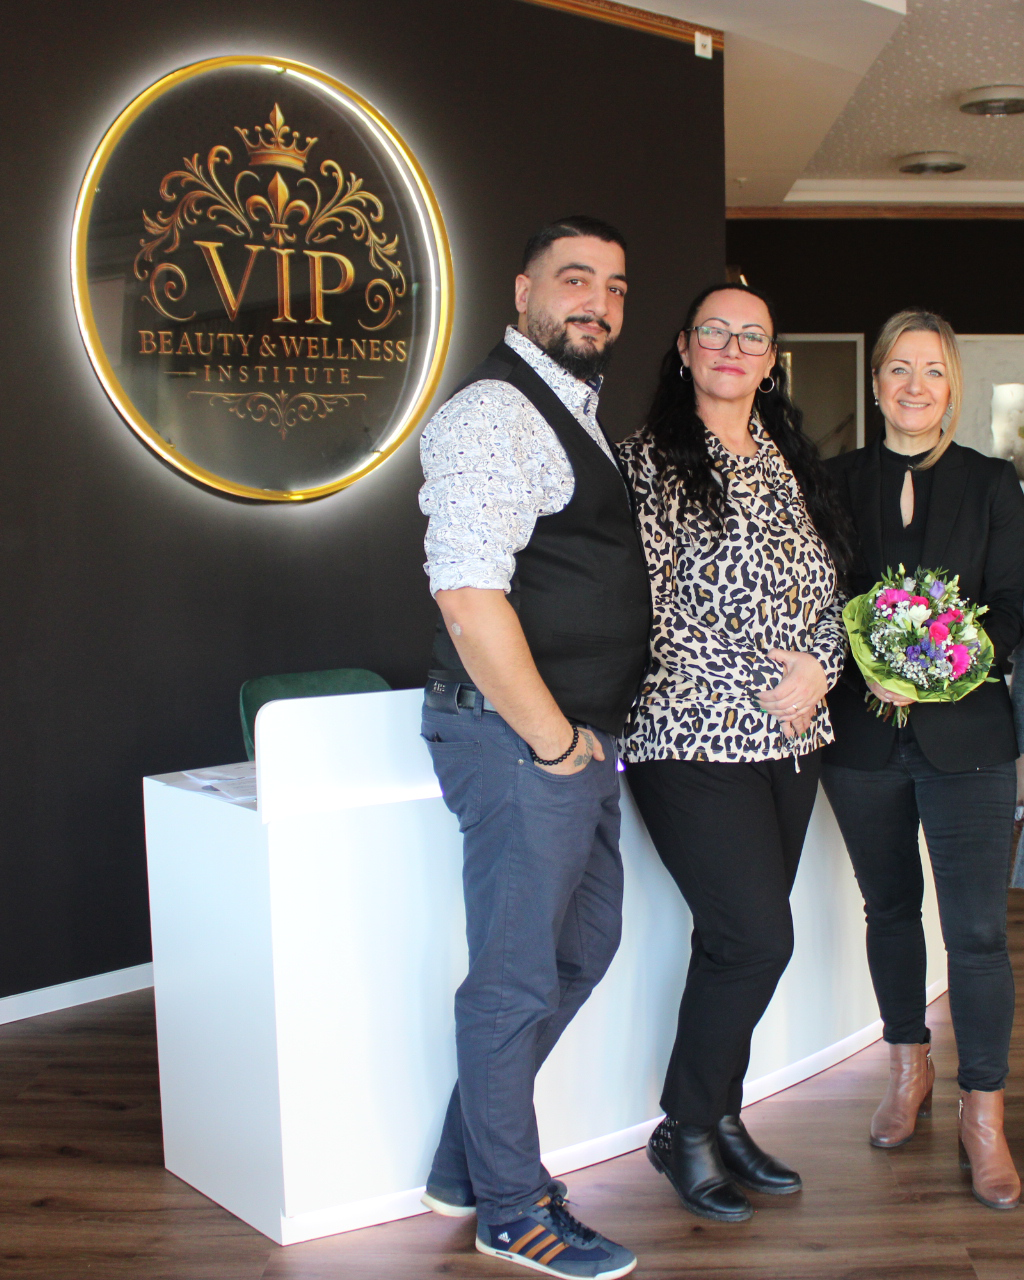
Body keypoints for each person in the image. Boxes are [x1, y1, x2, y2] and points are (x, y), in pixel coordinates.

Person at [417, 216, 650, 1278]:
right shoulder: (494, 411)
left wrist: (577, 744)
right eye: (574, 279)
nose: (597, 301)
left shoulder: (573, 410)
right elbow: (468, 596)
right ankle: (513, 1209)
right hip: (517, 740)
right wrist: (555, 743)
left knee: (582, 948)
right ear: (522, 293)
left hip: (570, 743)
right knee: (513, 983)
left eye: (614, 285)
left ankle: (465, 1162)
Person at [617, 283, 852, 1223]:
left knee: (731, 943)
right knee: (759, 938)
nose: (731, 346)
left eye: (750, 336)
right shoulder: (647, 462)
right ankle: (683, 1127)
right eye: (713, 331)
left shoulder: (789, 463)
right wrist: (771, 676)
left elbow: (828, 591)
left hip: (792, 739)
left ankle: (721, 1116)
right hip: (689, 732)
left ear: (770, 360)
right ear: (683, 347)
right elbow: (651, 610)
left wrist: (823, 667)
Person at [822, 309, 1024, 1211]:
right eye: (899, 369)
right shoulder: (835, 482)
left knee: (977, 933)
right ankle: (908, 1065)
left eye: (932, 370)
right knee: (890, 909)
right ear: (876, 384)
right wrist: (869, 662)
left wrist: (939, 667)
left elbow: (1012, 606)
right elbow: (818, 597)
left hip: (968, 741)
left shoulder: (992, 484)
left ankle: (984, 1112)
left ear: (953, 387)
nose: (915, 385)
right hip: (861, 741)